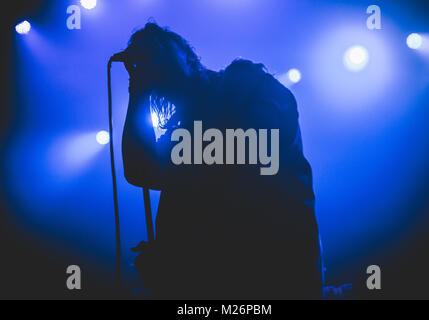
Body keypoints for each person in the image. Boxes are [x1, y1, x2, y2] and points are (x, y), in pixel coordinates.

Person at [120, 22, 323, 299]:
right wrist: (138, 90)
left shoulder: (246, 83)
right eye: (142, 57)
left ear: (188, 57)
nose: (154, 63)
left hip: (272, 270)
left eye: (159, 51)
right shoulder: (181, 128)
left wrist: (178, 251)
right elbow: (140, 171)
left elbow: (246, 159)